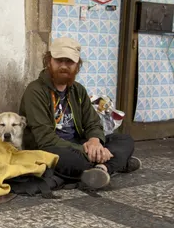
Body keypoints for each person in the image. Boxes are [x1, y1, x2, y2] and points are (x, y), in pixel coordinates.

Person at [19, 37, 141, 190]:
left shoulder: (78, 90)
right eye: (58, 60)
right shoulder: (35, 91)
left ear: (77, 65)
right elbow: (45, 139)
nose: (63, 66)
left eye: (69, 62)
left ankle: (101, 169)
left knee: (125, 139)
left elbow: (93, 123)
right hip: (51, 147)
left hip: (78, 142)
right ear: (49, 61)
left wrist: (95, 142)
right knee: (70, 159)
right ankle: (113, 164)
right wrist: (85, 149)